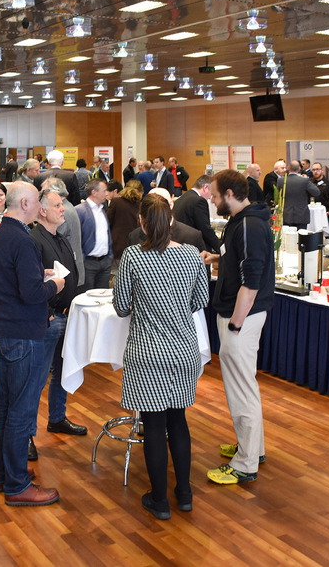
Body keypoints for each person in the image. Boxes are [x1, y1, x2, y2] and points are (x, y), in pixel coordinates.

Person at [113, 194, 209, 520]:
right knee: (178, 420)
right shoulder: (191, 254)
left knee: (153, 424)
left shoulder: (133, 257)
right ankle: (184, 493)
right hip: (183, 350)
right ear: (170, 220)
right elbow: (200, 300)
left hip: (147, 352)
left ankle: (159, 500)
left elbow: (121, 306)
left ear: (141, 222)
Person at [0, 182, 65, 506]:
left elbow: (10, 279)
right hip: (21, 334)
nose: (42, 207)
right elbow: (32, 293)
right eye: (38, 202)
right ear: (27, 204)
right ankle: (17, 485)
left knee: (4, 406)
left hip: (1, 330)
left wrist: (37, 274)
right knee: (19, 411)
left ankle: (3, 474)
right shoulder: (23, 239)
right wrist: (55, 284)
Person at [202, 169, 274, 486]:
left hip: (241, 318)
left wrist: (235, 324)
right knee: (243, 385)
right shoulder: (239, 222)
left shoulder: (249, 225)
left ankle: (245, 463)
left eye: (216, 195)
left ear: (230, 194)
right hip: (238, 316)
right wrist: (215, 258)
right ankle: (252, 447)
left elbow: (252, 281)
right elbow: (238, 260)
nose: (214, 201)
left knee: (242, 389)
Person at [29, 190, 85, 453]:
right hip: (49, 317)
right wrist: (47, 311)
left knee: (62, 371)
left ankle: (57, 418)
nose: (63, 209)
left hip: (66, 314)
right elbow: (33, 282)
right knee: (37, 379)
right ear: (42, 211)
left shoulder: (60, 237)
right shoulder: (34, 240)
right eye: (57, 205)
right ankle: (26, 435)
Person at [127, 189, 207, 252]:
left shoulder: (192, 236)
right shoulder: (134, 236)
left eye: (161, 206)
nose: (156, 212)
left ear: (171, 205)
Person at [41, 178, 85, 291]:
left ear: (55, 192)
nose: (41, 196)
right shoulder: (68, 206)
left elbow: (51, 240)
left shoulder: (62, 212)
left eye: (44, 192)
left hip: (67, 274)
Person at [76, 178, 112, 292]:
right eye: (104, 191)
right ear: (94, 192)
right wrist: (82, 260)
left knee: (103, 296)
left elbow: (106, 233)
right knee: (87, 296)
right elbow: (76, 238)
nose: (106, 194)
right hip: (88, 263)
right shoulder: (80, 211)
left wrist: (109, 256)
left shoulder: (102, 210)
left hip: (105, 262)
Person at [172, 174, 222, 253]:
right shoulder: (199, 201)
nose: (210, 198)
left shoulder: (182, 197)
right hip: (194, 249)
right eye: (211, 194)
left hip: (180, 246)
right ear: (205, 187)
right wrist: (221, 249)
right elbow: (206, 230)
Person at [106, 179, 143, 261]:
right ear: (140, 192)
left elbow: (106, 222)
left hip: (117, 246)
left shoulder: (116, 202)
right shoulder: (141, 205)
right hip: (136, 247)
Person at [277, 160, 319, 231]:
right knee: (301, 236)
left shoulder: (281, 181)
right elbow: (316, 192)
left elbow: (277, 196)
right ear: (299, 169)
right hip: (301, 216)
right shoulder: (304, 181)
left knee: (288, 236)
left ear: (288, 168)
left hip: (287, 215)